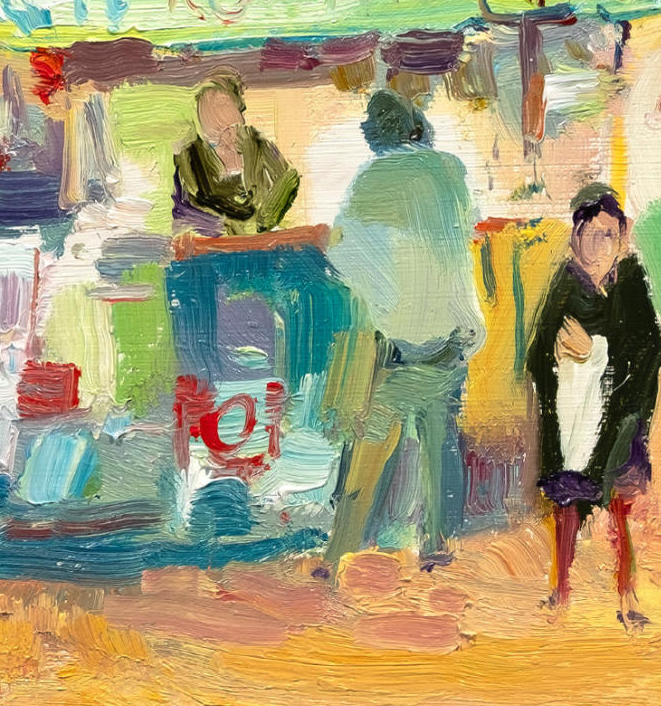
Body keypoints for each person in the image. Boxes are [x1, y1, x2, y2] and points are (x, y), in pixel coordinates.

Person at [325, 82, 481, 576]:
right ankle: (435, 543)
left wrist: (384, 292)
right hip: (449, 337)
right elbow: (463, 242)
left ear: (374, 134)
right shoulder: (449, 171)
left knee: (369, 446)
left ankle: (340, 549)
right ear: (415, 126)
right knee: (437, 444)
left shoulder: (369, 181)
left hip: (395, 343)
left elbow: (341, 253)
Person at [526, 179, 661, 628]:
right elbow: (536, 355)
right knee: (567, 507)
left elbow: (648, 352)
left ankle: (627, 594)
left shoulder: (632, 285)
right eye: (590, 235)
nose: (598, 246)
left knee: (620, 509)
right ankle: (560, 590)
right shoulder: (565, 286)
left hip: (622, 419)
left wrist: (598, 352)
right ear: (575, 238)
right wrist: (559, 355)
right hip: (572, 430)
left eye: (608, 235)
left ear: (622, 238)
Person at [168, 73, 302, 236]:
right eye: (221, 131)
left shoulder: (255, 141)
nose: (229, 137)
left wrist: (267, 217)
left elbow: (289, 177)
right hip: (214, 236)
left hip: (263, 232)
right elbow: (193, 203)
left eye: (233, 127)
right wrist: (230, 227)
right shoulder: (191, 155)